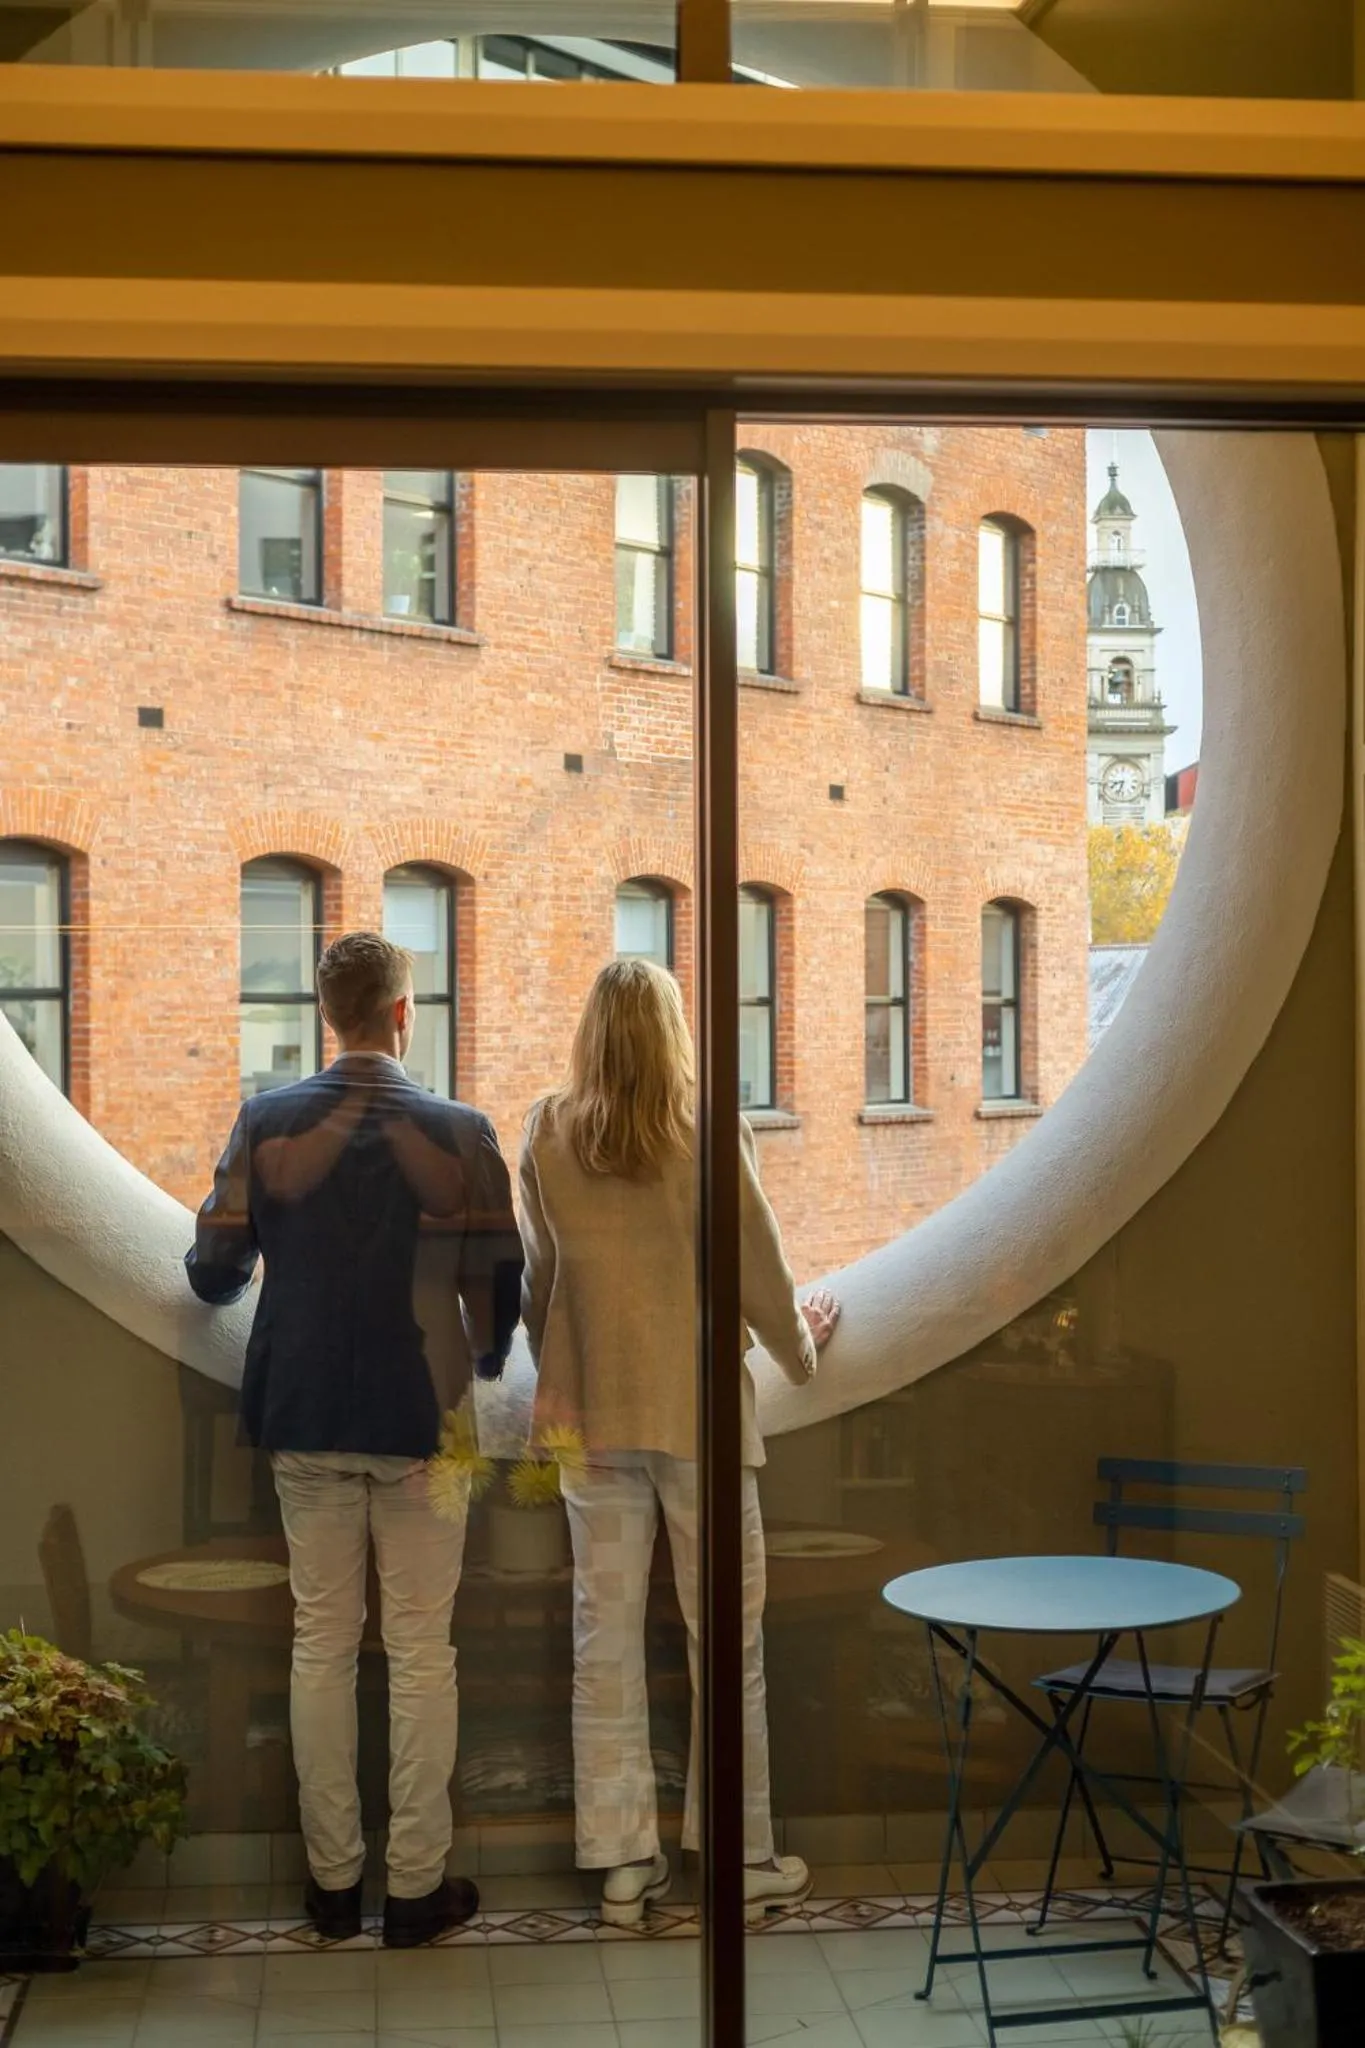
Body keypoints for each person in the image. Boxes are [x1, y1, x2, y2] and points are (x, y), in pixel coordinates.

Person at [186, 930, 523, 1947]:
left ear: (329, 1015)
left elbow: (212, 1270)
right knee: (423, 1654)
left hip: (308, 1406)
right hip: (421, 1413)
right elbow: (502, 1294)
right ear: (403, 1011)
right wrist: (487, 1352)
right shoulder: (461, 1129)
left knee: (321, 1644)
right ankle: (416, 1887)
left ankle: (333, 1886)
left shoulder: (267, 1118)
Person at [519, 957, 839, 1928]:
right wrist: (799, 1343)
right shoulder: (711, 1131)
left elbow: (542, 1279)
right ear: (674, 1033)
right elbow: (759, 1267)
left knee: (603, 1642)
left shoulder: (546, 1130)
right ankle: (739, 1857)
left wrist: (560, 1362)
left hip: (597, 1420)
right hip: (698, 1419)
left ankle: (622, 1866)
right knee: (727, 1644)